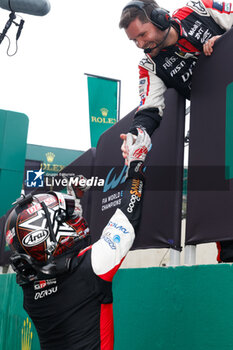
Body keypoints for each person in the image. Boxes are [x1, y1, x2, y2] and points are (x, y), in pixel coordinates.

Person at [4, 128, 151, 350]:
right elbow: (127, 220)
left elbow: (63, 261)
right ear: (45, 235)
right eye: (65, 218)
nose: (74, 219)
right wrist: (136, 164)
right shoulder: (91, 268)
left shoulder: (29, 288)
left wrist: (74, 199)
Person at [119, 0, 233, 164]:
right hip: (220, 122)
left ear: (161, 19)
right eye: (134, 40)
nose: (141, 45)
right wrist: (136, 135)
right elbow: (149, 110)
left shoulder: (197, 9)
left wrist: (225, 41)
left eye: (143, 35)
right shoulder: (149, 66)